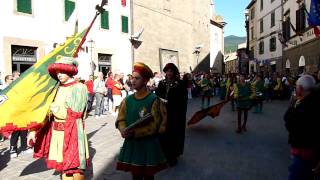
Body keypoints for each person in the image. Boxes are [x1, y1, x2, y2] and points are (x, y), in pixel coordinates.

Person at [27, 57, 89, 180]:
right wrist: (34, 130)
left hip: (73, 133)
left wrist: (52, 107)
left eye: (62, 71)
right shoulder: (56, 88)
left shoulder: (79, 88)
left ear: (70, 71)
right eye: (57, 72)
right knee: (63, 167)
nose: (59, 75)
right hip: (57, 133)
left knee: (74, 168)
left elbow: (73, 114)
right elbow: (45, 113)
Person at [116, 62, 167, 180]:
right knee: (135, 175)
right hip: (133, 143)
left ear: (145, 81)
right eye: (132, 78)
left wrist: (135, 132)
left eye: (137, 78)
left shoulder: (153, 100)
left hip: (148, 144)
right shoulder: (127, 100)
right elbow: (121, 118)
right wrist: (123, 129)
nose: (133, 81)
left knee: (149, 175)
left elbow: (155, 124)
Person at [284, 75, 320, 180]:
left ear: (300, 88)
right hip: (313, 151)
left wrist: (292, 103)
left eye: (296, 87)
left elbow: (289, 122)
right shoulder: (314, 99)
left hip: (303, 151)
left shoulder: (305, 106)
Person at [155, 63, 188, 166]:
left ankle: (173, 156)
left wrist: (173, 106)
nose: (169, 73)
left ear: (174, 72)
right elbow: (157, 97)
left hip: (175, 115)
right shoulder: (161, 83)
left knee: (174, 135)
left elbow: (183, 100)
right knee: (163, 134)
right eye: (167, 71)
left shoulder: (180, 84)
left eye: (171, 71)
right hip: (163, 114)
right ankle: (163, 154)